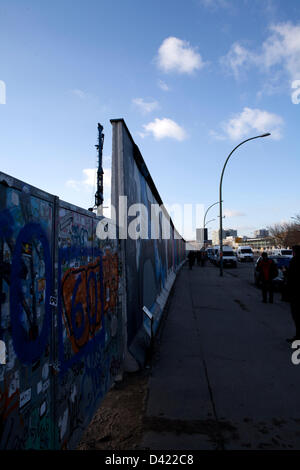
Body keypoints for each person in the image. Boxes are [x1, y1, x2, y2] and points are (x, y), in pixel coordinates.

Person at [286, 245, 300, 343]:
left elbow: (291, 277)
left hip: (296, 293)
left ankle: (298, 337)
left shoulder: (294, 261)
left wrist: (285, 272)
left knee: (297, 316)